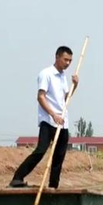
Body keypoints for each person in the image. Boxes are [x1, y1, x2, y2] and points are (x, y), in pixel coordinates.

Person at [9, 46, 79, 189]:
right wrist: (53, 115)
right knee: (41, 150)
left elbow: (65, 99)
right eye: (65, 59)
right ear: (57, 57)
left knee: (59, 156)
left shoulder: (63, 77)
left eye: (70, 61)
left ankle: (53, 186)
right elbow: (40, 97)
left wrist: (75, 86)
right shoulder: (46, 74)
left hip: (62, 122)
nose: (67, 63)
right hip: (48, 120)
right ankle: (17, 178)